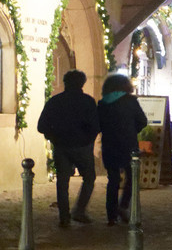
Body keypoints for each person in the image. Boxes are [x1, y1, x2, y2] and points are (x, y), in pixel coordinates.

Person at [37, 70, 99, 227]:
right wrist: (88, 140)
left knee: (62, 182)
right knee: (89, 178)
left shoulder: (55, 101)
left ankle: (64, 217)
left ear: (65, 83)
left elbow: (42, 125)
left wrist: (53, 137)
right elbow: (95, 125)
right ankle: (79, 210)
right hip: (82, 146)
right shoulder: (87, 101)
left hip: (61, 146)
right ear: (82, 84)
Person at [96, 72, 147, 226]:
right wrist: (132, 131)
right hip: (128, 144)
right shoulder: (130, 101)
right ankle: (123, 205)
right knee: (131, 177)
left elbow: (98, 124)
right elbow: (142, 121)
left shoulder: (103, 103)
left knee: (113, 179)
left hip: (109, 144)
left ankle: (111, 216)